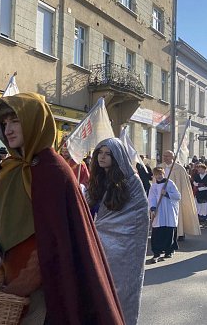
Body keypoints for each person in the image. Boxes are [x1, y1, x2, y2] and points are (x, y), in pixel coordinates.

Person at [0, 93, 124, 324]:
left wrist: (20, 286)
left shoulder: (55, 171)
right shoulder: (8, 167)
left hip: (43, 288)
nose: (7, 129)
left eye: (15, 120)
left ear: (34, 121)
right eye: (4, 123)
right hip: (6, 278)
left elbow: (55, 241)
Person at [88, 137, 149, 325]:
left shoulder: (132, 183)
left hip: (121, 250)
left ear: (117, 157)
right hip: (93, 243)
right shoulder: (97, 180)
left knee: (119, 292)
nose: (102, 157)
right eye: (100, 153)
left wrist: (105, 233)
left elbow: (138, 219)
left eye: (108, 154)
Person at [159, 150, 201, 240]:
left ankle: (180, 232)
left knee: (177, 214)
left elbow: (184, 185)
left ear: (172, 157)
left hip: (175, 197)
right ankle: (164, 234)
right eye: (164, 155)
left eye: (167, 156)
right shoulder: (160, 167)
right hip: (163, 196)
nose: (165, 158)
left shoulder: (179, 168)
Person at [148, 167, 181, 263]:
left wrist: (167, 193)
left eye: (160, 174)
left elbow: (178, 196)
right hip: (159, 211)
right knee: (157, 230)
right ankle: (157, 252)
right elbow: (151, 198)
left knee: (168, 230)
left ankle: (169, 250)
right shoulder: (153, 186)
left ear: (163, 174)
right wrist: (153, 207)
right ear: (154, 175)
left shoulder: (169, 183)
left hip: (169, 210)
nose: (158, 176)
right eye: (156, 174)